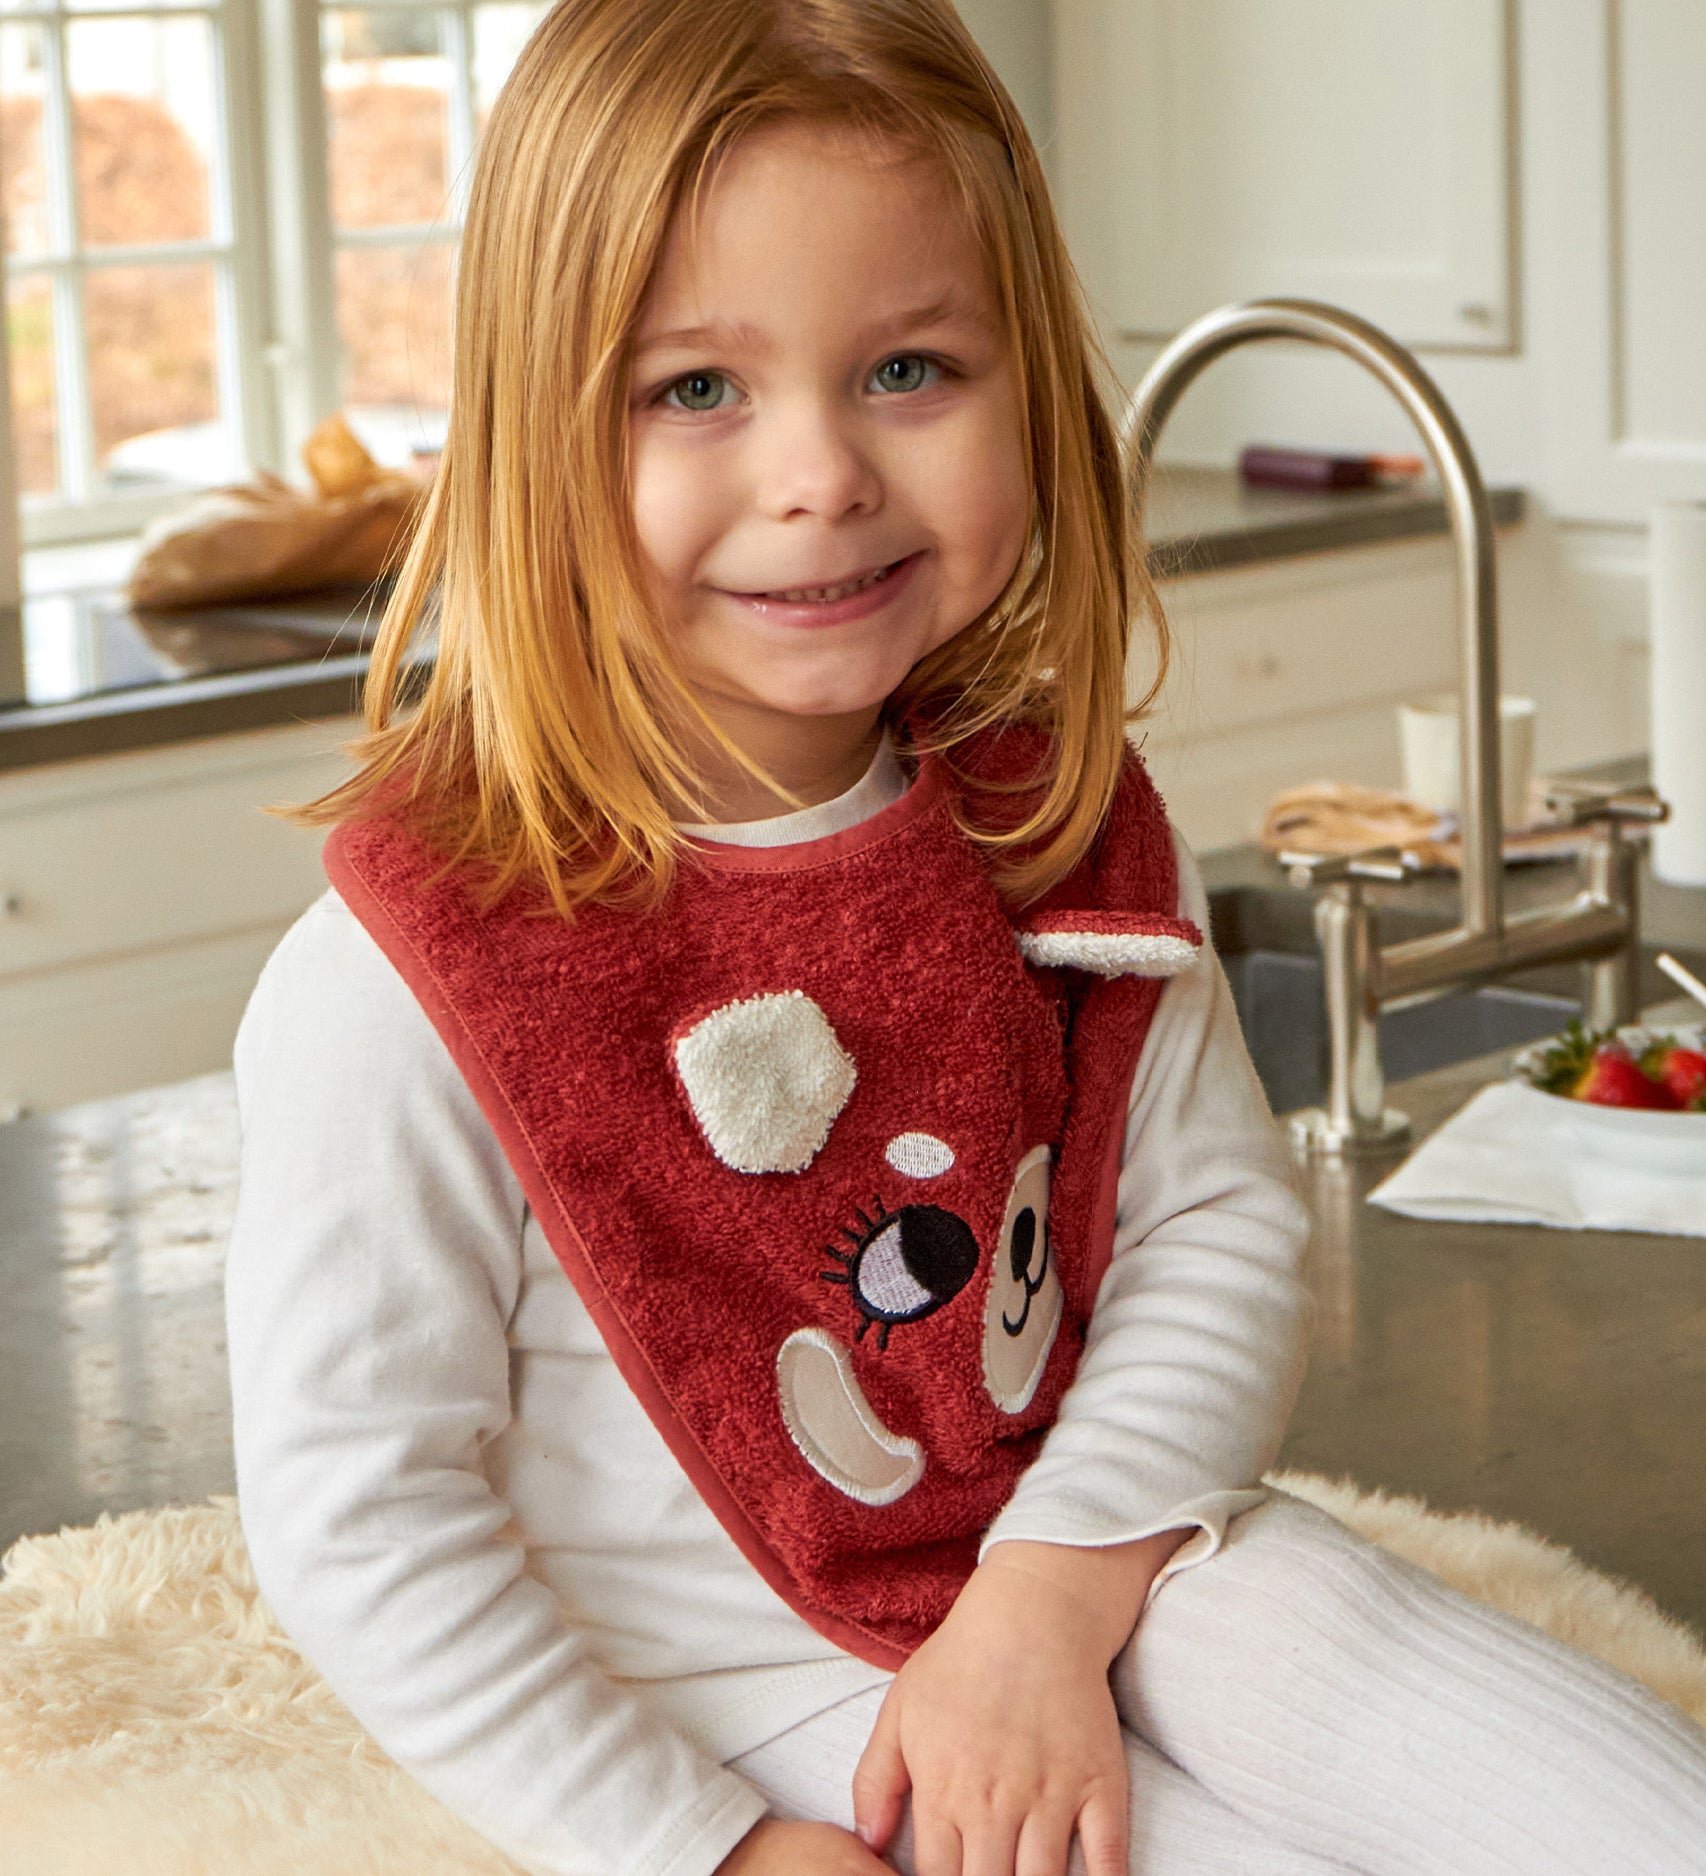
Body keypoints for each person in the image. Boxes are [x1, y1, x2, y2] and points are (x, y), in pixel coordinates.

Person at [223, 3, 1706, 1872]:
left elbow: (1210, 1225)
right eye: (694, 390)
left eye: (909, 366)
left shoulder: (1043, 818)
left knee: (1524, 1748)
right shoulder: (416, 971)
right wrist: (704, 1848)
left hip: (1099, 1554)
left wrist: (1050, 1590)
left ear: (1032, 388)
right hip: (744, 1689)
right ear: (532, 434)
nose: (820, 473)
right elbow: (365, 1519)